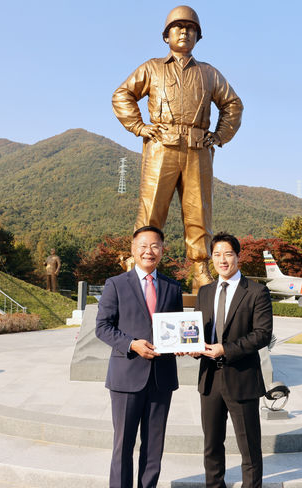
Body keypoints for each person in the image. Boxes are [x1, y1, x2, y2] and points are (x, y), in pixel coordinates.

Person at [112, 6, 243, 291]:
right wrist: (139, 127)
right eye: (178, 27)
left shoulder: (209, 73)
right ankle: (140, 265)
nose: (184, 32)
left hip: (198, 148)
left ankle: (199, 269)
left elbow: (233, 104)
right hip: (161, 145)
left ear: (198, 35)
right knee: (151, 211)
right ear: (166, 35)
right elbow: (123, 94)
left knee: (198, 212)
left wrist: (219, 135)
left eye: (190, 28)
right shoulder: (152, 67)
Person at [96, 226, 183, 488]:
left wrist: (184, 344)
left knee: (154, 444)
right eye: (144, 245)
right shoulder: (116, 284)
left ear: (162, 250)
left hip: (161, 378)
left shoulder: (172, 287)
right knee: (124, 445)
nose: (149, 251)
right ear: (133, 249)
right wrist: (131, 343)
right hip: (126, 376)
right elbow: (103, 327)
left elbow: (178, 330)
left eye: (155, 246)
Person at [194, 233, 273, 488]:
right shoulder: (205, 292)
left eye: (228, 253)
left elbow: (262, 334)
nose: (222, 259)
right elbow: (197, 332)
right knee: (212, 447)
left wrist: (225, 349)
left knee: (249, 451)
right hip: (210, 380)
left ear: (238, 257)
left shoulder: (256, 292)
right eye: (216, 254)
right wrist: (192, 348)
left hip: (242, 380)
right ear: (212, 258)